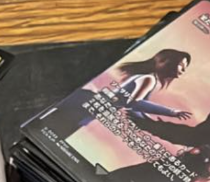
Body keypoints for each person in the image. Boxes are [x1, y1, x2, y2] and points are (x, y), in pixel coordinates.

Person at [43, 49, 194, 143]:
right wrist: (171, 112)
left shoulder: (148, 77)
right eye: (181, 65)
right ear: (166, 62)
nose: (183, 71)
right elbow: (135, 103)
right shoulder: (149, 79)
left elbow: (133, 106)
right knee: (50, 133)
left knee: (48, 131)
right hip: (86, 108)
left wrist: (148, 122)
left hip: (89, 106)